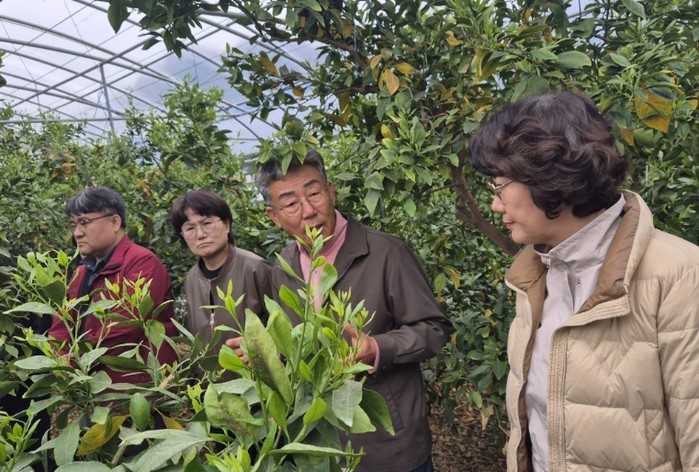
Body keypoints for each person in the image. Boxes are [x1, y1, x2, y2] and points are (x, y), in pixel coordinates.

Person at [469, 91, 699, 471]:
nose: (495, 205)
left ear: (550, 176)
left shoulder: (679, 276)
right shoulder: (533, 278)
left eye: (499, 186)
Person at [230, 149, 454, 472]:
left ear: (331, 192)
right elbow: (295, 344)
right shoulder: (283, 268)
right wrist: (265, 353)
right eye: (291, 204)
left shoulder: (386, 254)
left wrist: (377, 347)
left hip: (387, 446)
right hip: (320, 446)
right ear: (274, 217)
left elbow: (434, 329)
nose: (309, 211)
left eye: (314, 194)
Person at [49, 187, 177, 384]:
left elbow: (126, 326)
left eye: (84, 222)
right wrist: (59, 356)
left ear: (114, 222)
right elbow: (63, 321)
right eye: (73, 225)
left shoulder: (143, 263)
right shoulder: (82, 271)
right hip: (90, 385)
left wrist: (75, 359)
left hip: (135, 387)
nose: (77, 233)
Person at [170, 190, 271, 358]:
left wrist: (262, 347)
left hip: (252, 371)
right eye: (190, 228)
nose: (200, 234)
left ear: (227, 225)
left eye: (207, 223)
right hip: (207, 374)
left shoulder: (256, 269)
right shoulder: (192, 278)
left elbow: (286, 328)